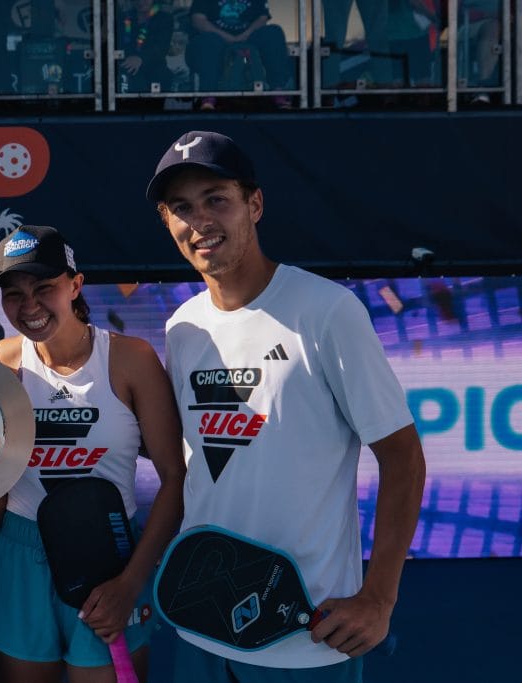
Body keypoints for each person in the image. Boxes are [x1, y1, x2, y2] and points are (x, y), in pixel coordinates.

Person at [146, 130, 426, 680]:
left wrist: (379, 598)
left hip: (305, 638)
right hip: (199, 628)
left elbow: (403, 457)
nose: (200, 221)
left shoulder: (327, 311)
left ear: (255, 204)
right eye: (182, 207)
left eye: (216, 200)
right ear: (166, 221)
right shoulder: (183, 326)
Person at [0, 225, 185, 682]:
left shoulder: (130, 359)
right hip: (18, 551)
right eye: (14, 295)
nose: (29, 306)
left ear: (75, 285)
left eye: (44, 289)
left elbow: (175, 476)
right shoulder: (0, 362)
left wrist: (131, 581)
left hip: (109, 555)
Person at [186, 0, 293, 110]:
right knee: (208, 42)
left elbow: (262, 18)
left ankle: (278, 92)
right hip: (215, 40)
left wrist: (243, 36)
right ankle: (208, 96)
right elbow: (198, 20)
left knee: (273, 32)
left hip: (248, 38)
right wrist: (229, 38)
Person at [116, 0, 174, 94]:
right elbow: (120, 44)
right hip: (127, 67)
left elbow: (161, 47)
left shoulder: (164, 18)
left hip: (154, 70)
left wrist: (140, 58)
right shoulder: (125, 17)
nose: (140, 2)